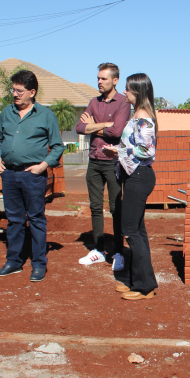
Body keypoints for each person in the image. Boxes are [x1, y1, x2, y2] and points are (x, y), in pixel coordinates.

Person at [0, 70, 64, 282]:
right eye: (13, 90)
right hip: (9, 174)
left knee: (36, 220)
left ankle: (39, 264)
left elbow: (58, 147)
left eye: (19, 91)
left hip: (33, 175)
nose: (15, 94)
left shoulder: (46, 115)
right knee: (13, 220)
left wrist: (43, 166)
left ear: (32, 92)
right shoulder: (6, 113)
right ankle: (13, 262)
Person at [102, 73, 158, 300]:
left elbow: (148, 150)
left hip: (139, 177)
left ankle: (144, 288)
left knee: (131, 231)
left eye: (127, 89)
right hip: (133, 176)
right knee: (138, 231)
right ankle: (140, 281)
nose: (125, 92)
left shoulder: (144, 116)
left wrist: (118, 151)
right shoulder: (137, 114)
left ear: (138, 91)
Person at [76, 63, 130, 270]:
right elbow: (80, 127)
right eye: (98, 78)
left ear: (115, 80)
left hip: (113, 163)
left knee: (116, 208)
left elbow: (116, 133)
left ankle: (118, 252)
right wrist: (104, 126)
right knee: (95, 207)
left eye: (103, 79)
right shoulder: (93, 102)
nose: (99, 82)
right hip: (94, 160)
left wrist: (93, 127)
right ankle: (98, 251)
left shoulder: (123, 103)